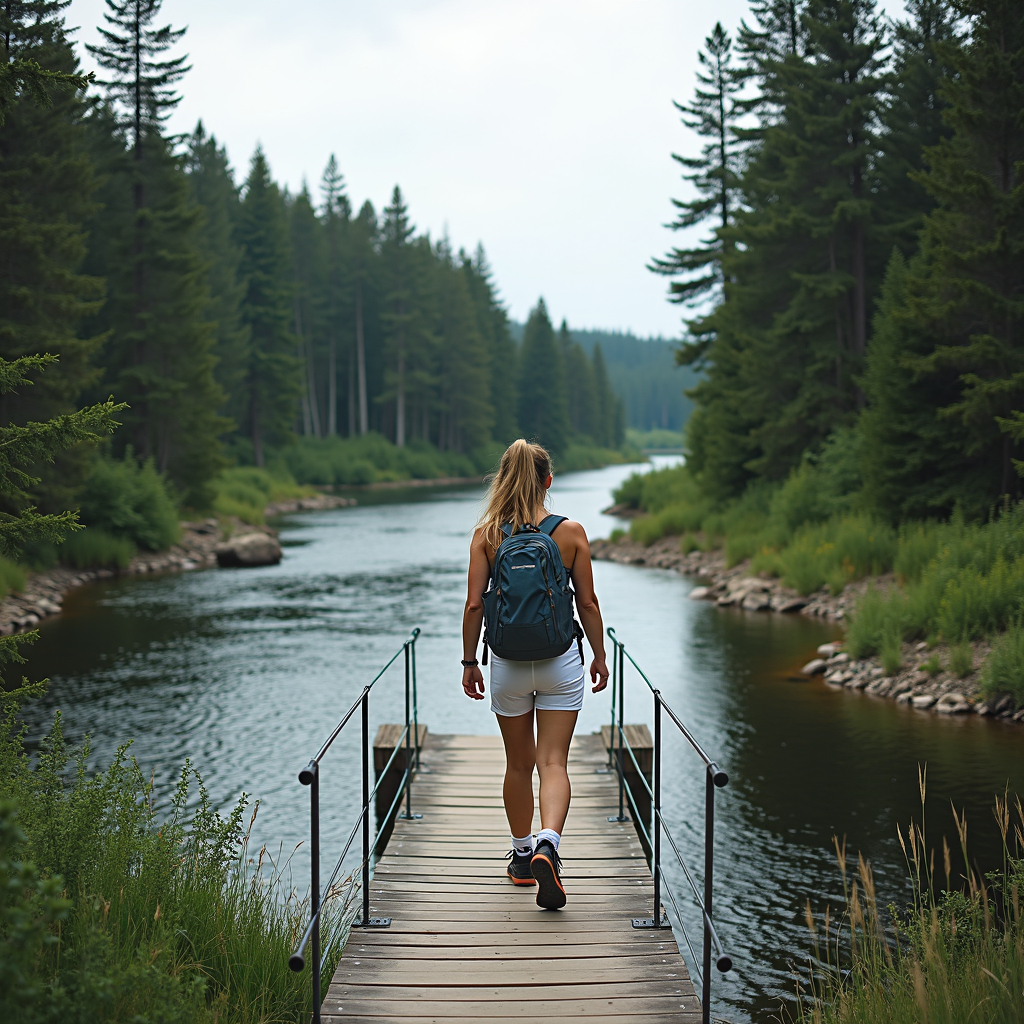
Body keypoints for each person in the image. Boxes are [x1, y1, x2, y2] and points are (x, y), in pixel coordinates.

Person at [461, 439, 609, 909]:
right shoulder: (570, 533)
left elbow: (473, 605)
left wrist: (469, 663)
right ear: (548, 480)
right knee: (553, 763)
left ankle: (522, 858)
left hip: (506, 663)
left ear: (502, 479)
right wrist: (599, 655)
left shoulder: (487, 534)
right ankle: (550, 843)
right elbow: (586, 603)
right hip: (559, 660)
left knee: (517, 763)